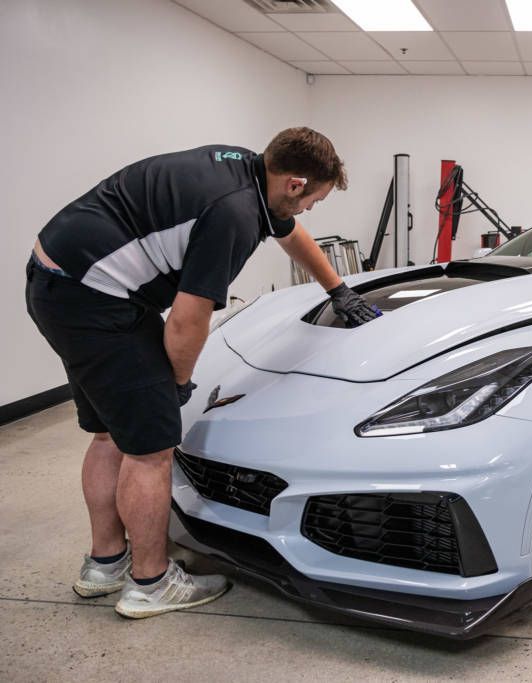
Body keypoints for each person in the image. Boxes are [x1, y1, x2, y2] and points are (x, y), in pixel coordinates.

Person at [25, 127, 377, 618]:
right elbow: (188, 323)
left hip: (58, 282)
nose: (307, 211)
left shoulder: (245, 167)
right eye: (311, 200)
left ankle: (105, 564)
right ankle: (151, 582)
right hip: (98, 303)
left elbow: (288, 232)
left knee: (108, 434)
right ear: (294, 183)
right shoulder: (232, 215)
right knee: (151, 449)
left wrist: (338, 289)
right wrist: (176, 384)